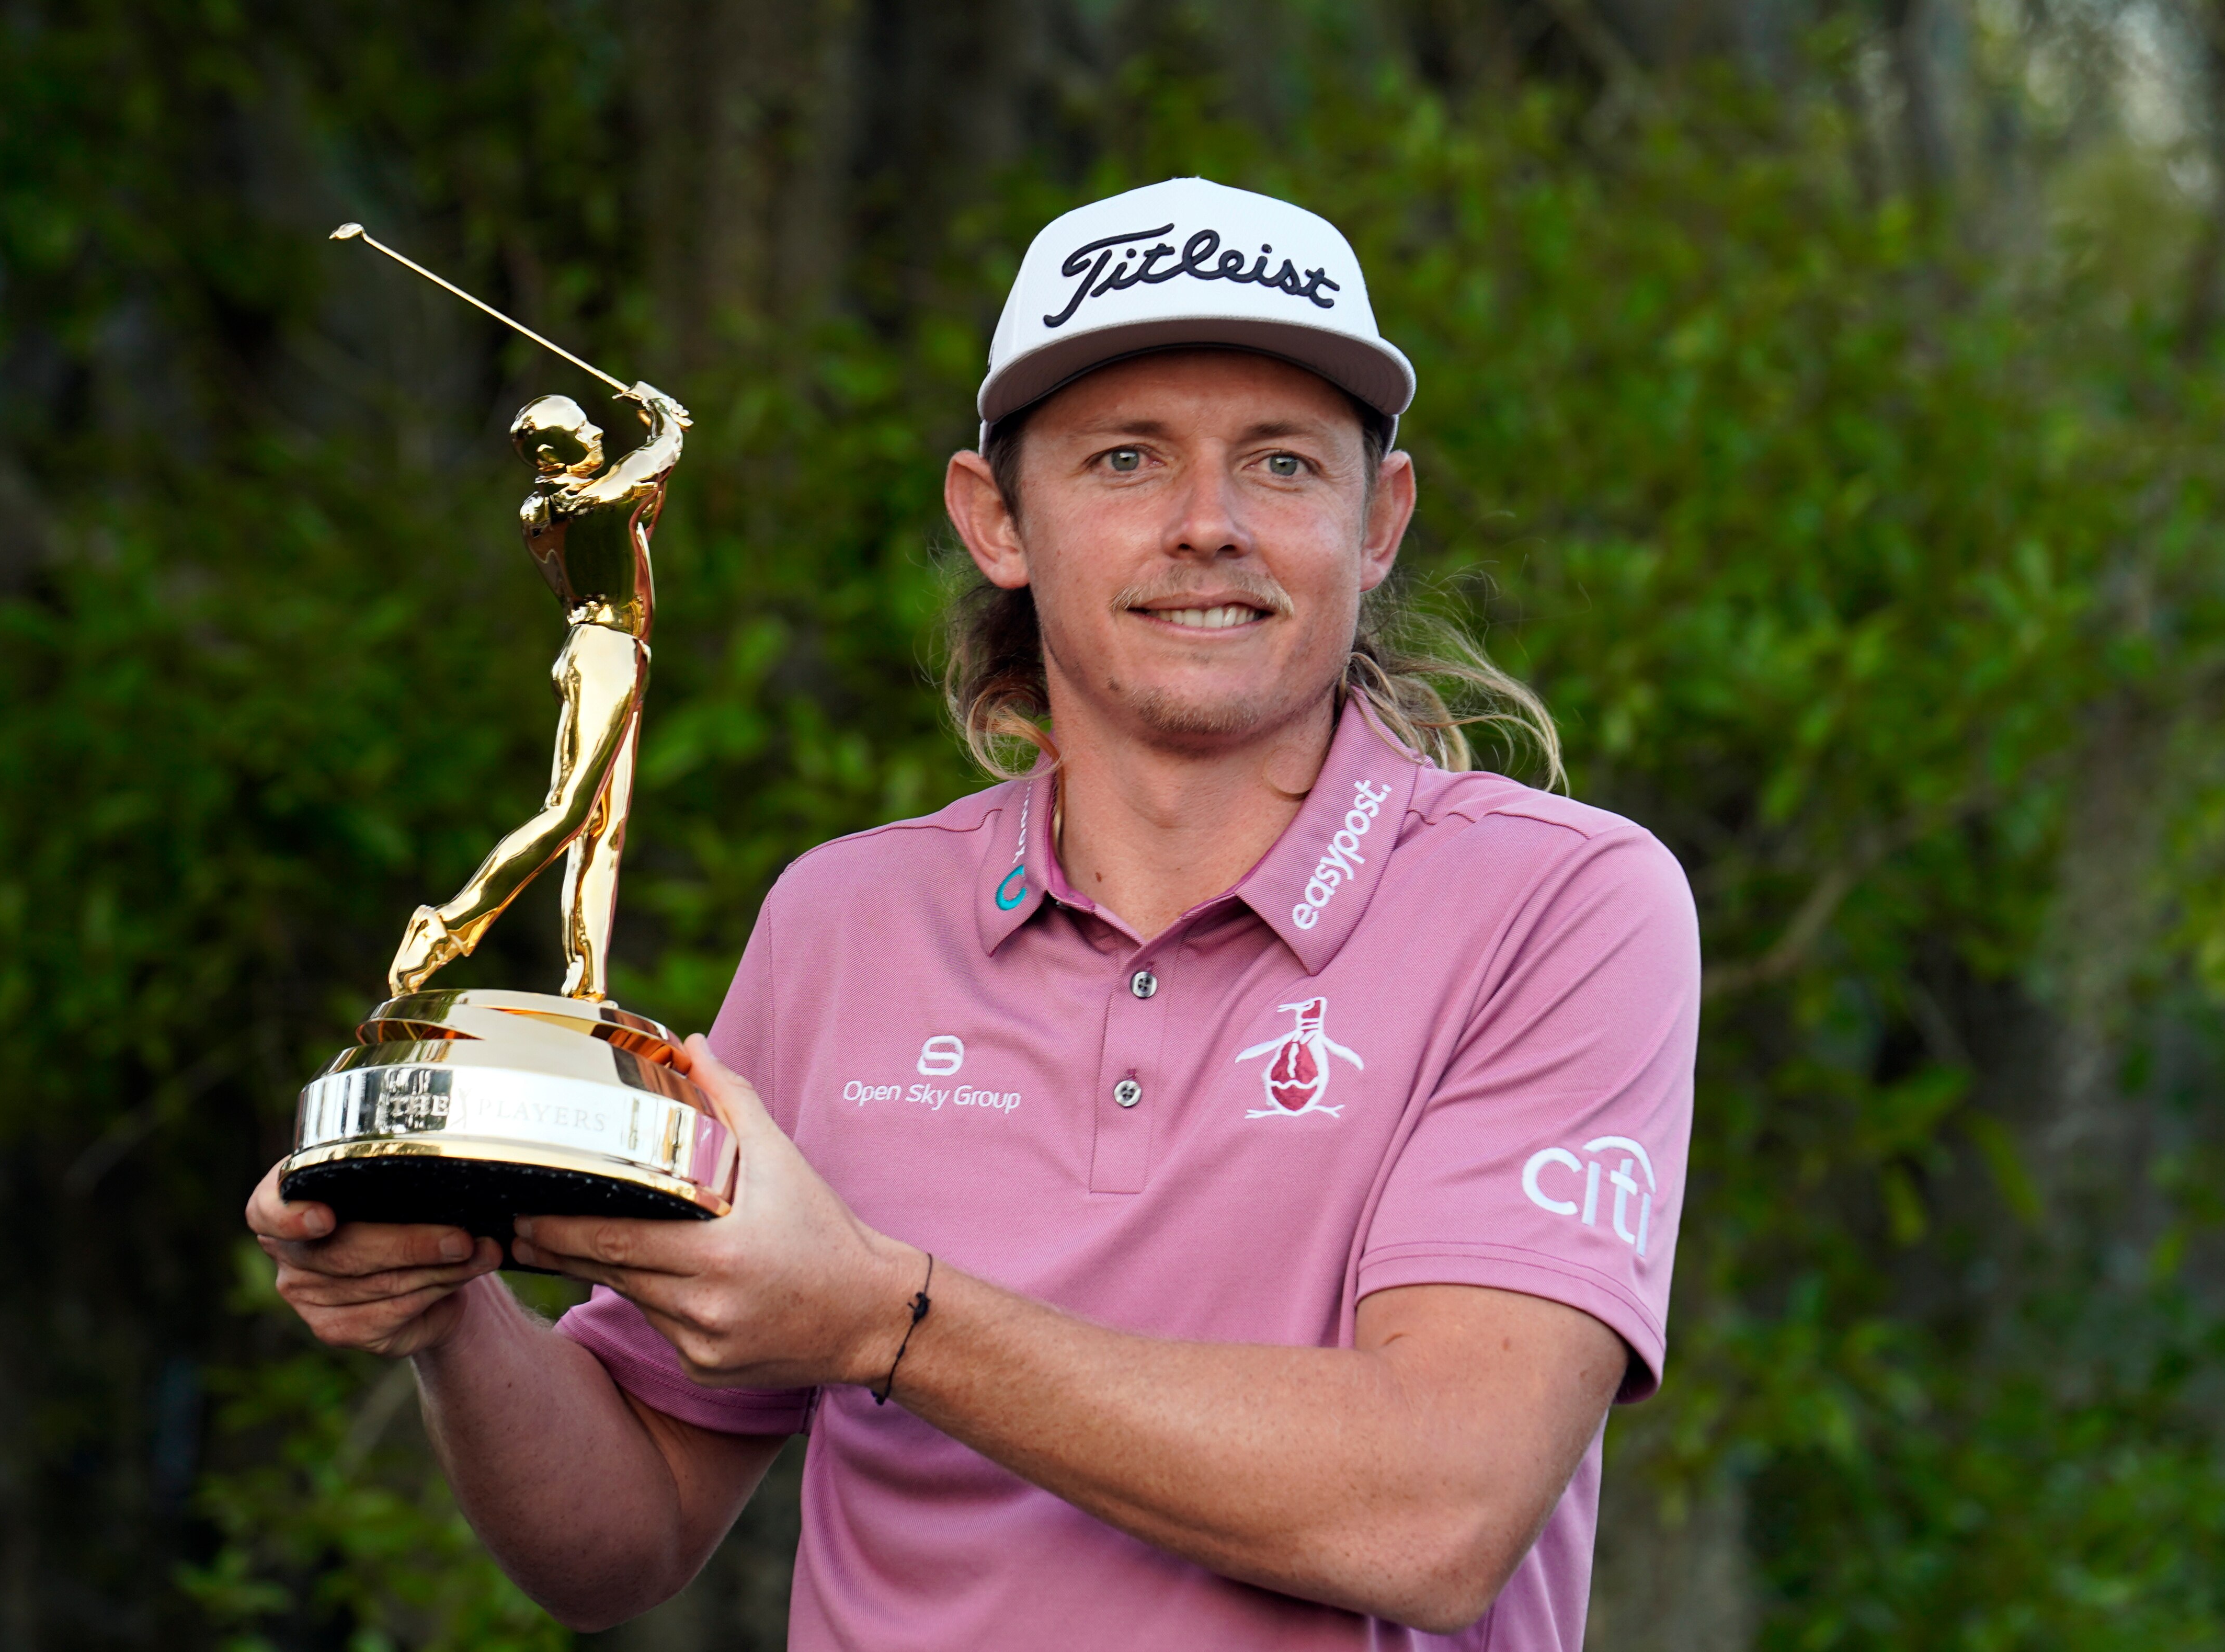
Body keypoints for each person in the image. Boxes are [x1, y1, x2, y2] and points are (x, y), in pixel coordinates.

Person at [247, 177, 1698, 1650]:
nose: (1210, 525)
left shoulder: (1559, 901)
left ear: (1376, 519)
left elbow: (1435, 1508)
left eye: (1279, 462)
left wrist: (883, 1316)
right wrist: (450, 1317)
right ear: (994, 517)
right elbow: (624, 1528)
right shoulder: (846, 916)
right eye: (1126, 459)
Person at [387, 381, 690, 1001]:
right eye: (583, 430)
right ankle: (446, 926)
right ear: (555, 458)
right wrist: (662, 417)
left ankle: (587, 983)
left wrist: (662, 436)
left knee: (605, 828)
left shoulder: (552, 509)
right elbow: (657, 456)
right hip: (605, 653)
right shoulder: (588, 504)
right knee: (570, 812)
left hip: (615, 655)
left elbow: (644, 506)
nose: (598, 433)